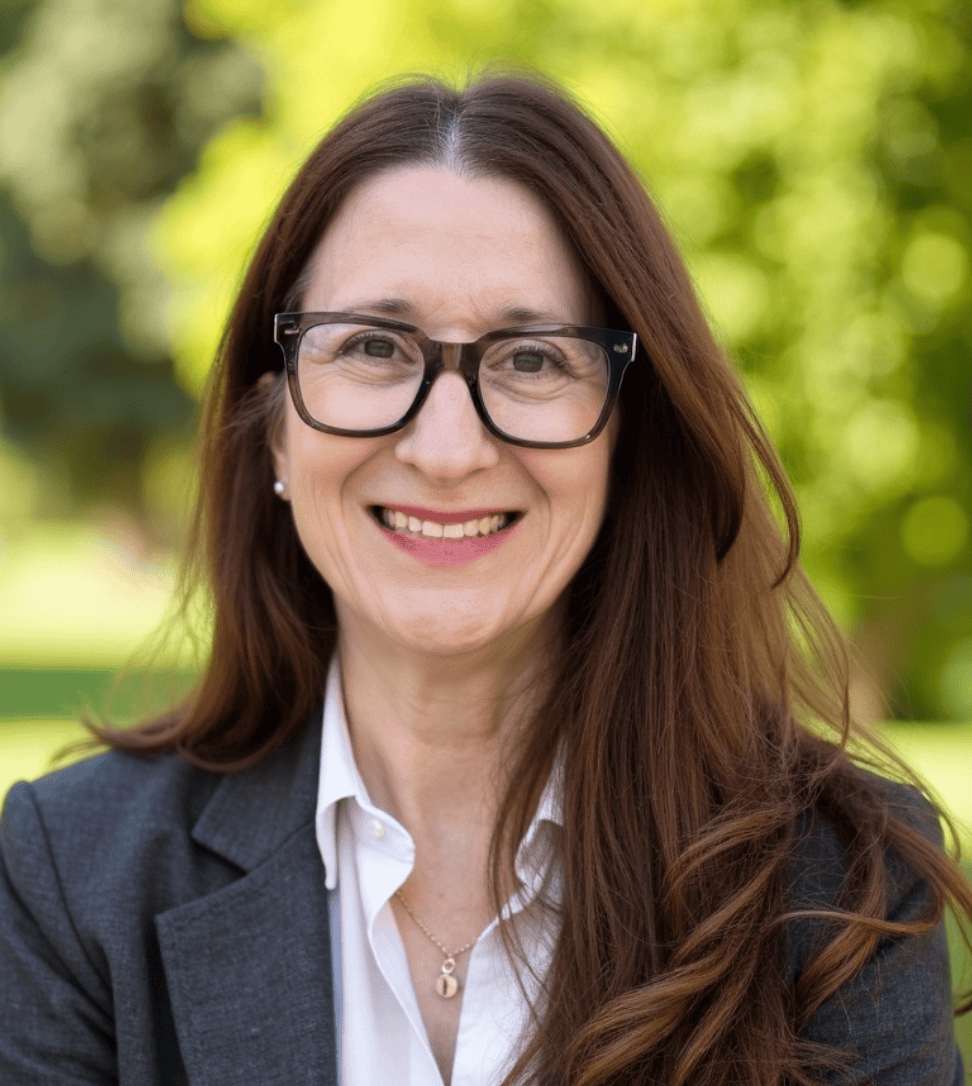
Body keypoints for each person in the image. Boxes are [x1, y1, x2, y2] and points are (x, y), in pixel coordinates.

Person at [1, 71, 970, 1086]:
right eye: (374, 346)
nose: (448, 449)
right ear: (276, 428)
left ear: (625, 434)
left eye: (532, 360)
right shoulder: (73, 876)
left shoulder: (839, 885)